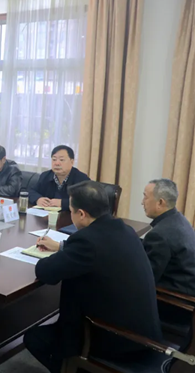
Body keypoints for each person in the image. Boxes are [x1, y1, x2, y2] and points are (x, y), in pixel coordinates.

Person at [25, 181, 162, 373]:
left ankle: (73, 369)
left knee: (34, 338)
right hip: (144, 334)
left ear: (81, 214)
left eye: (71, 211)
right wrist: (64, 248)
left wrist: (58, 254)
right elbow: (98, 251)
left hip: (117, 339)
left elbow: (45, 272)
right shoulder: (125, 229)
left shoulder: (87, 241)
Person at [141, 179, 195, 296]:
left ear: (160, 202)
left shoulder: (159, 235)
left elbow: (146, 278)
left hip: (179, 299)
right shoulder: (179, 219)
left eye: (145, 197)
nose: (142, 202)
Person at [28, 145, 90, 211]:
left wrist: (62, 203)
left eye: (61, 160)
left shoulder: (82, 179)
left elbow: (86, 201)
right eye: (54, 159)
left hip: (70, 216)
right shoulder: (45, 175)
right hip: (46, 215)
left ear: (72, 162)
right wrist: (38, 199)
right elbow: (32, 191)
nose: (57, 163)